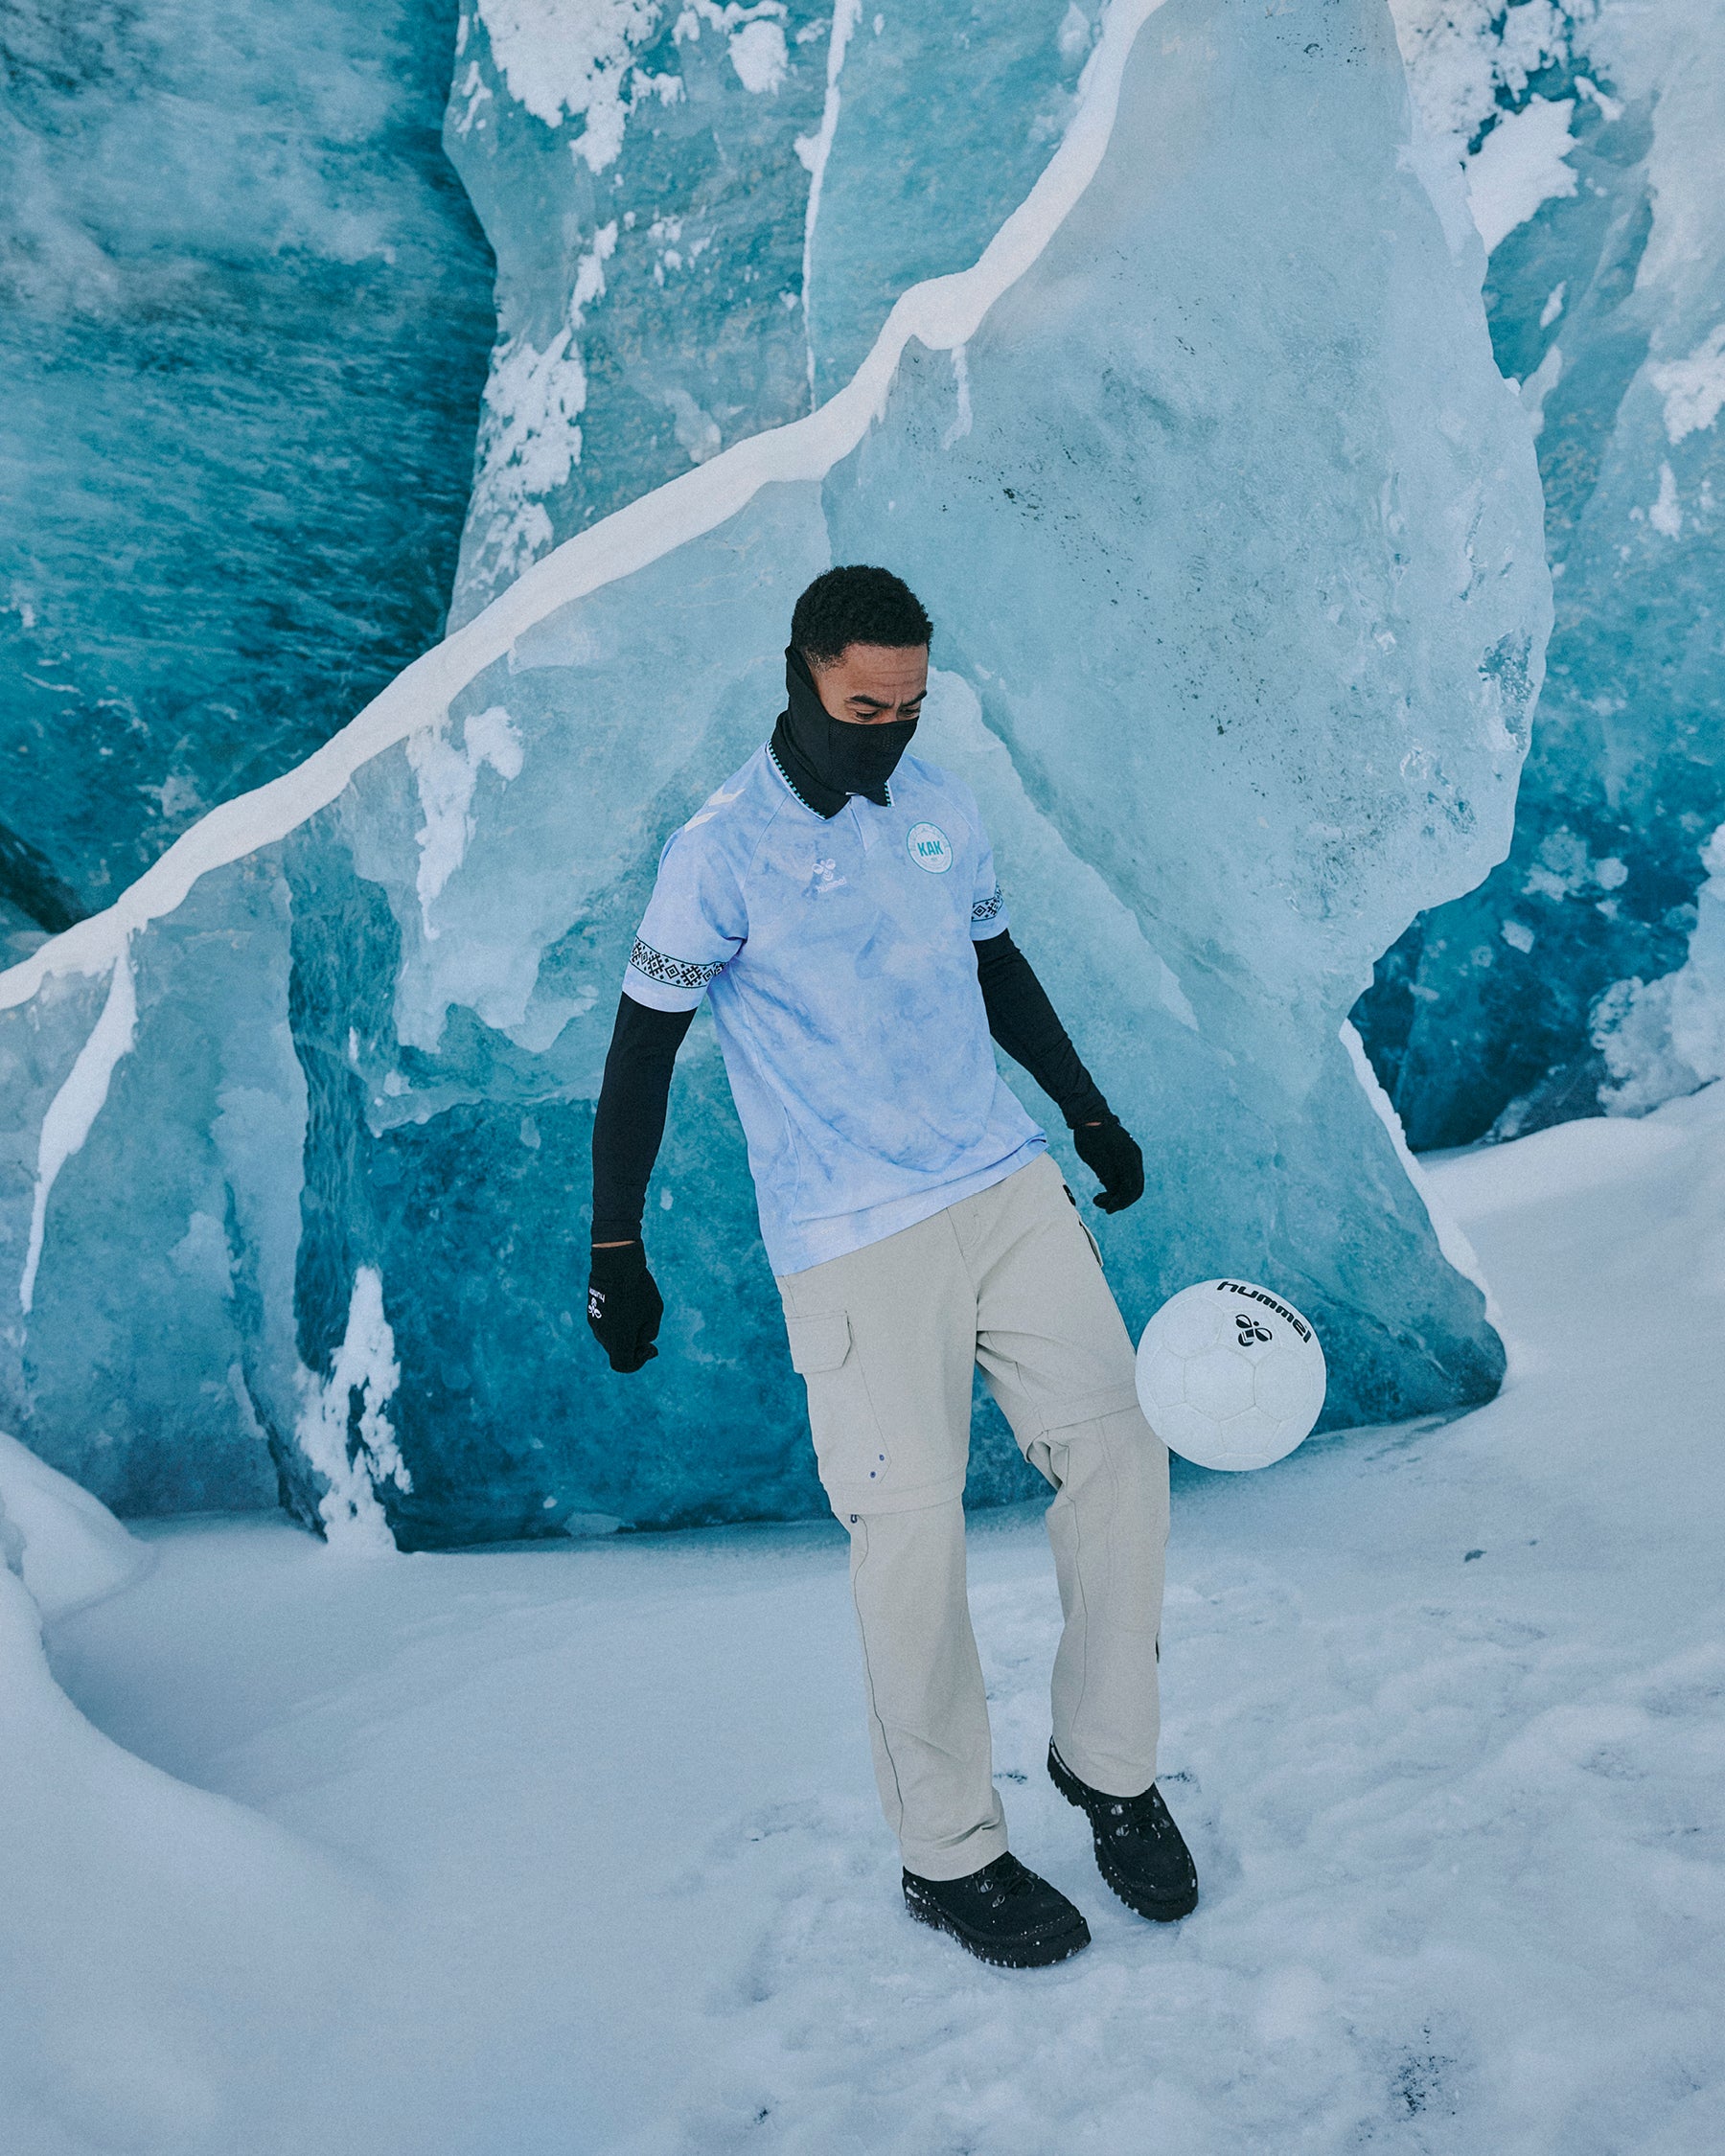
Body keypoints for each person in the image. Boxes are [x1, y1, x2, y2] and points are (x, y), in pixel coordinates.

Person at [587, 564, 1197, 1968]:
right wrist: (616, 1243)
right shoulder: (719, 850)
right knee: (910, 1536)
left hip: (1001, 1186)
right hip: (854, 1240)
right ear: (800, 675)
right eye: (867, 705)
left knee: (1120, 1452)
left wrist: (1086, 1107)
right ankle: (950, 1852)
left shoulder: (938, 809)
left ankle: (1108, 1766)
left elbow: (997, 965)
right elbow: (641, 1054)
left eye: (914, 705)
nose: (892, 730)